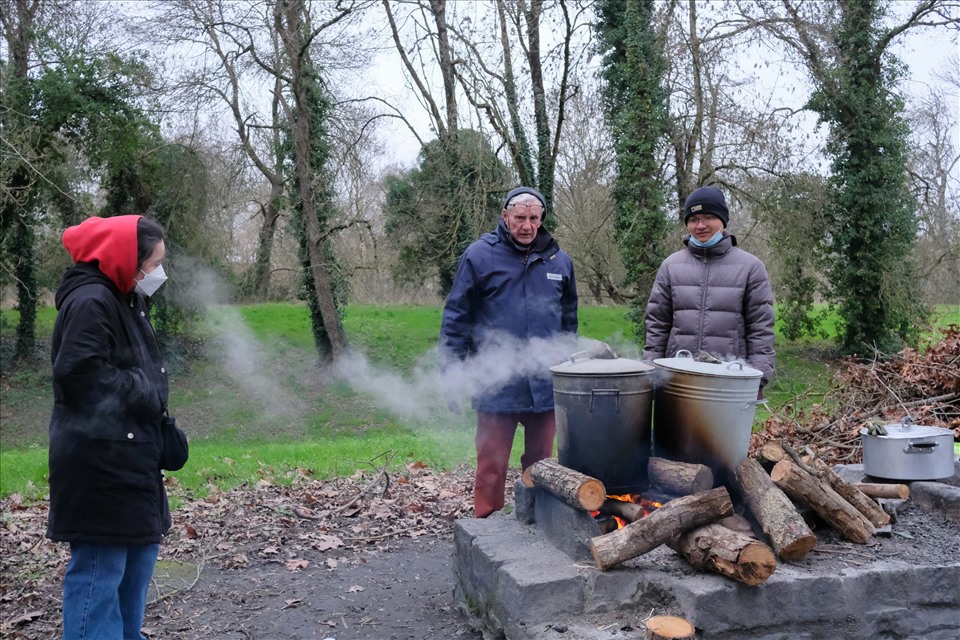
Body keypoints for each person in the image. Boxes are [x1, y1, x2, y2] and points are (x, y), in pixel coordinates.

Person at [47, 215, 188, 640]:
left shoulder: (124, 296)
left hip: (130, 459)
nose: (157, 274)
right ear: (127, 259)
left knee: (138, 562)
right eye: (153, 264)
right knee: (99, 574)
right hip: (98, 464)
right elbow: (78, 374)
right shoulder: (91, 300)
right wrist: (144, 390)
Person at [439, 186, 579, 518]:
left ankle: (535, 526)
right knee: (491, 466)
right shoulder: (479, 255)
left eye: (533, 218)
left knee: (541, 468)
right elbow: (456, 318)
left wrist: (569, 372)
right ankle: (486, 531)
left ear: (541, 217)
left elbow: (568, 324)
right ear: (505, 216)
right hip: (495, 383)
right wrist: (451, 373)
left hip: (544, 385)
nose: (527, 225)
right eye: (520, 218)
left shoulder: (560, 261)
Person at [642, 185, 775, 393]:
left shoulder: (751, 267)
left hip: (730, 378)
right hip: (677, 378)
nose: (700, 225)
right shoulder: (670, 266)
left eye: (707, 218)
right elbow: (657, 324)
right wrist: (651, 369)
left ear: (722, 220)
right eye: (694, 220)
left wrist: (759, 376)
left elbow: (761, 328)